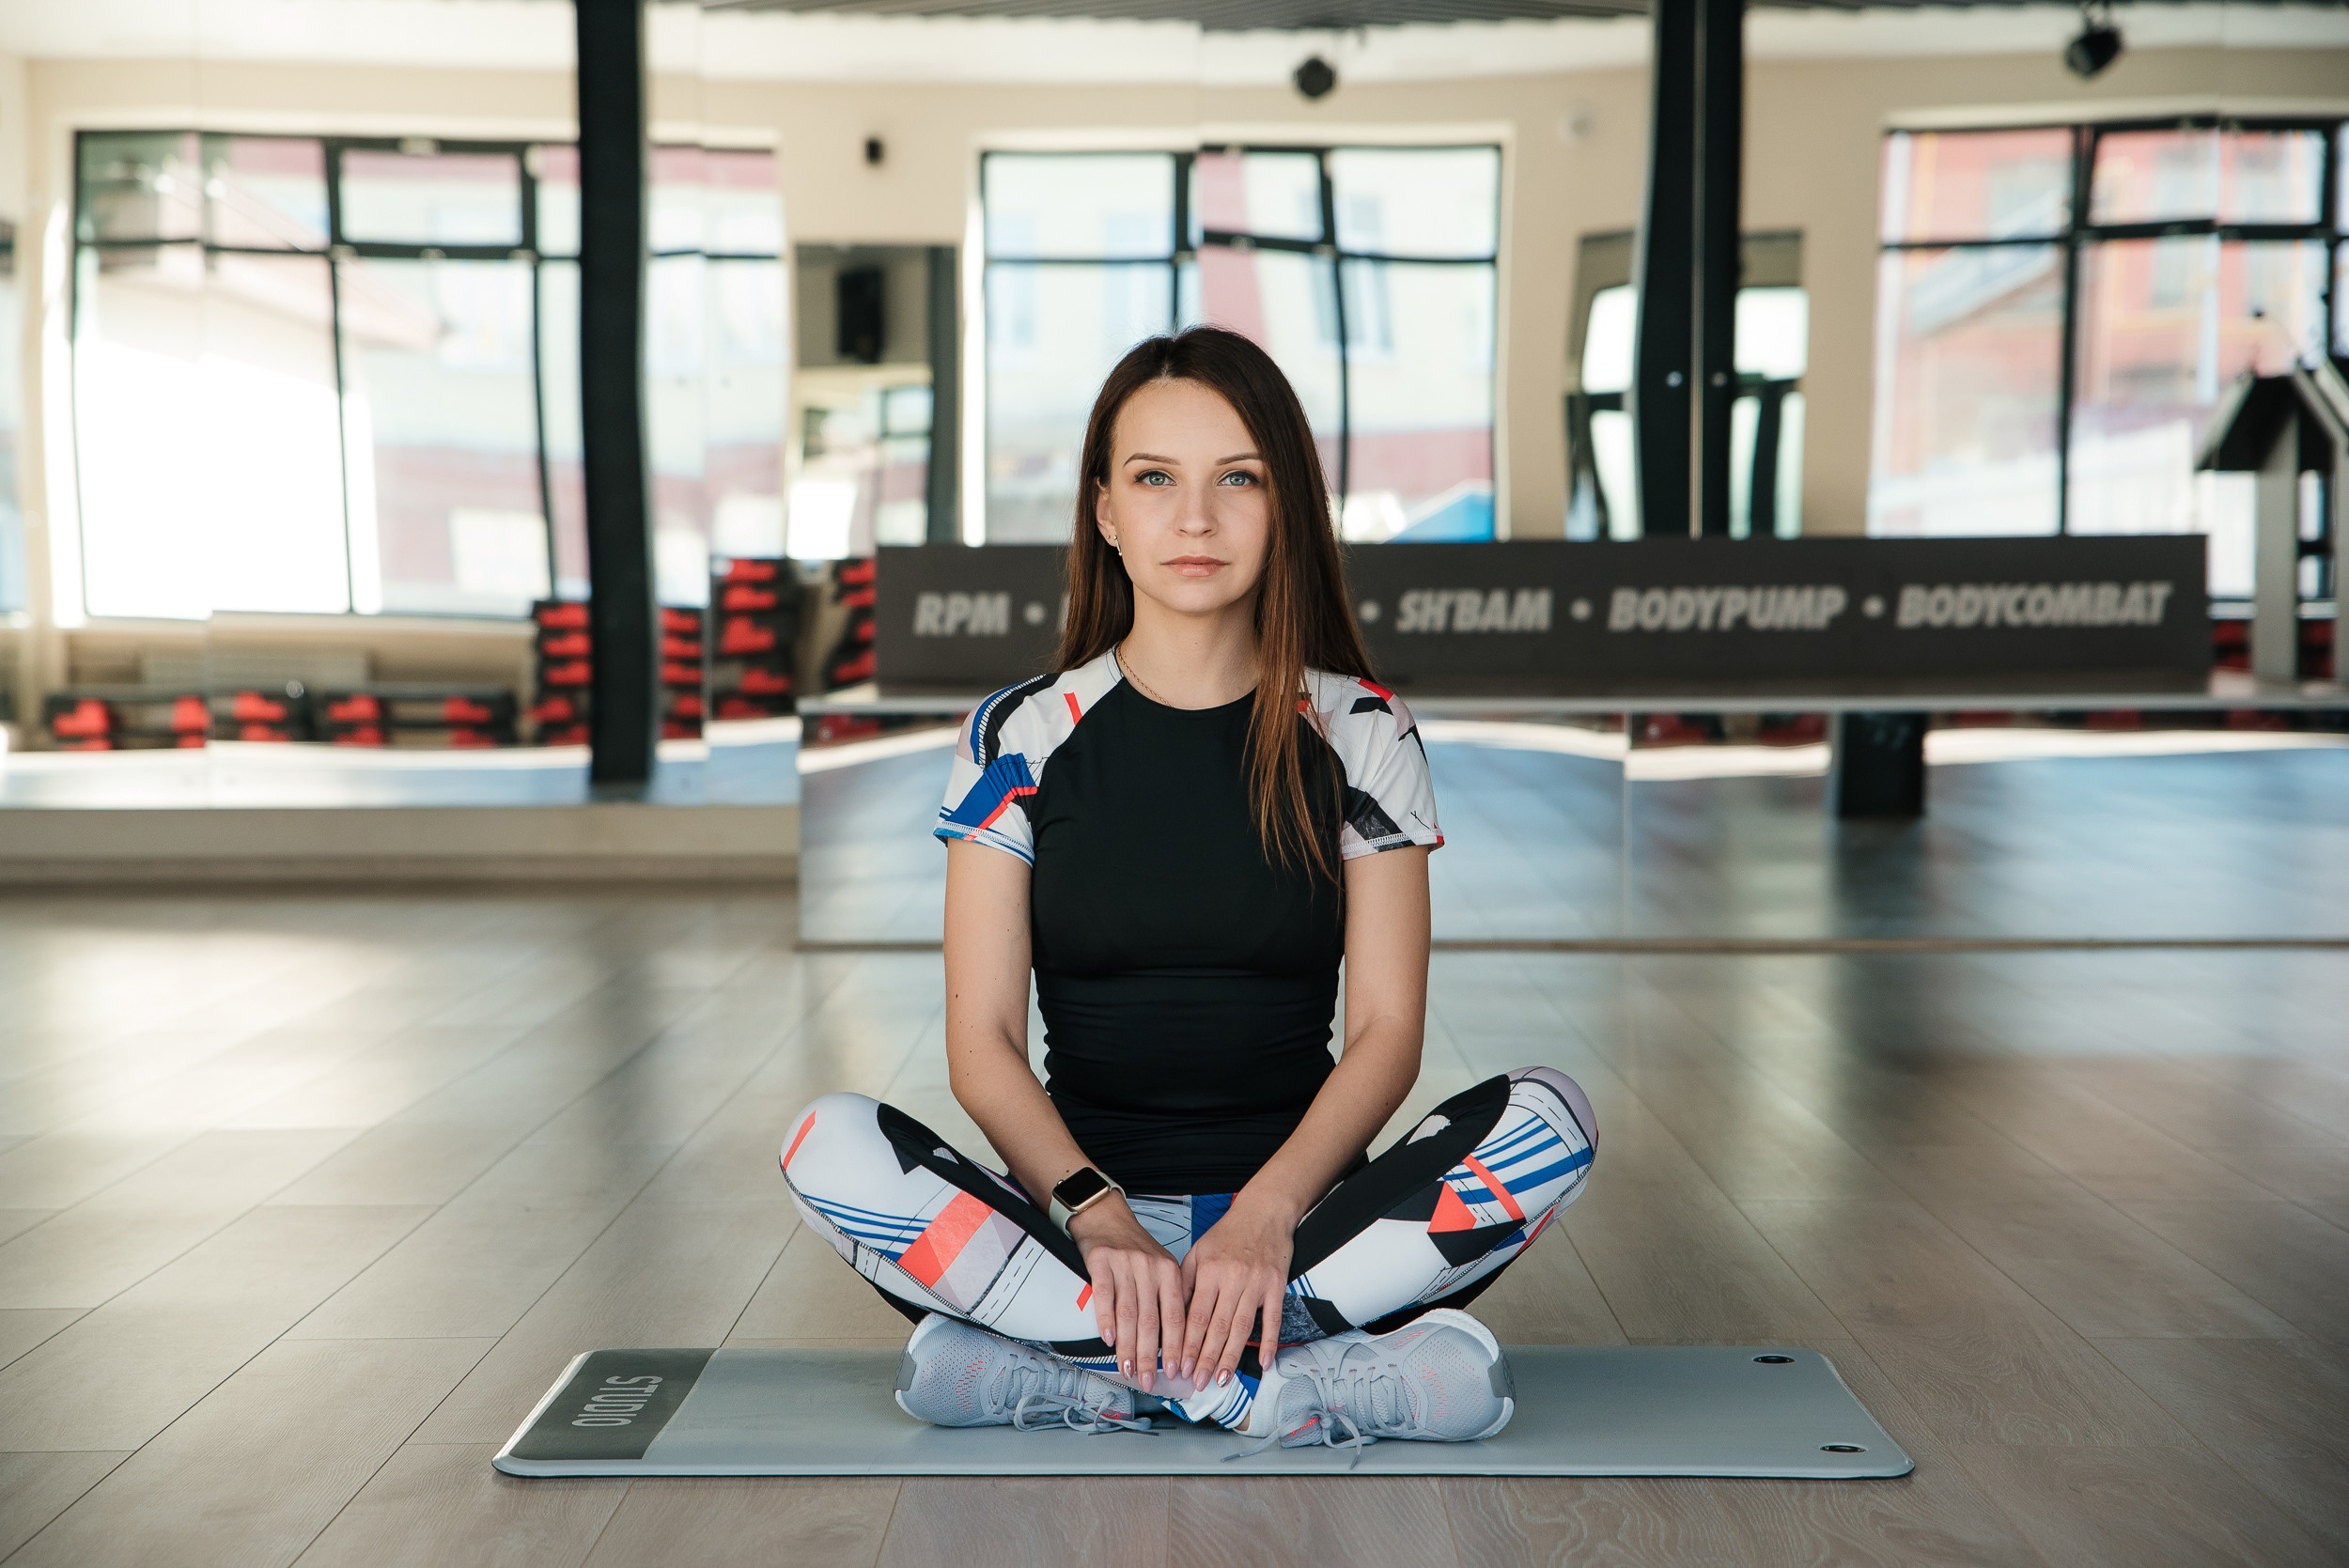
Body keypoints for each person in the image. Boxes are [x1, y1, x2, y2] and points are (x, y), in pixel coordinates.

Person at [781, 326, 1595, 1461]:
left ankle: (1091, 1372)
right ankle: (1276, 1387)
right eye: (1155, 479)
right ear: (1106, 511)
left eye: (1238, 480)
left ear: (1286, 506)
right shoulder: (1019, 734)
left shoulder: (1361, 727)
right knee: (825, 1139)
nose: (1196, 518)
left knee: (1554, 1116)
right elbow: (980, 1044)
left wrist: (1263, 1219)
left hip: (1308, 1231)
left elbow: (1387, 1031)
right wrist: (1099, 1217)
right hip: (1078, 1236)